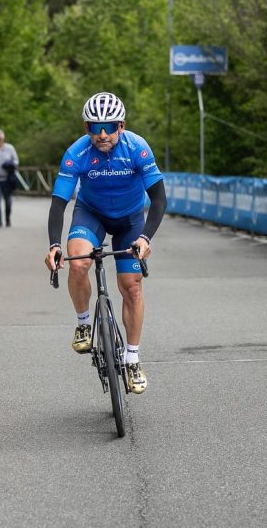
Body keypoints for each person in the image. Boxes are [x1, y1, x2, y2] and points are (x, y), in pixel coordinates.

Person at [43, 92, 166, 395]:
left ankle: (133, 359)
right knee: (79, 261)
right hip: (91, 214)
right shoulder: (77, 153)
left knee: (132, 286)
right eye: (94, 127)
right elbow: (59, 204)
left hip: (130, 220)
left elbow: (160, 199)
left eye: (109, 126)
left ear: (121, 125)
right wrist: (53, 245)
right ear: (86, 127)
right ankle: (84, 322)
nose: (101, 134)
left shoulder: (137, 148)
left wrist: (145, 237)